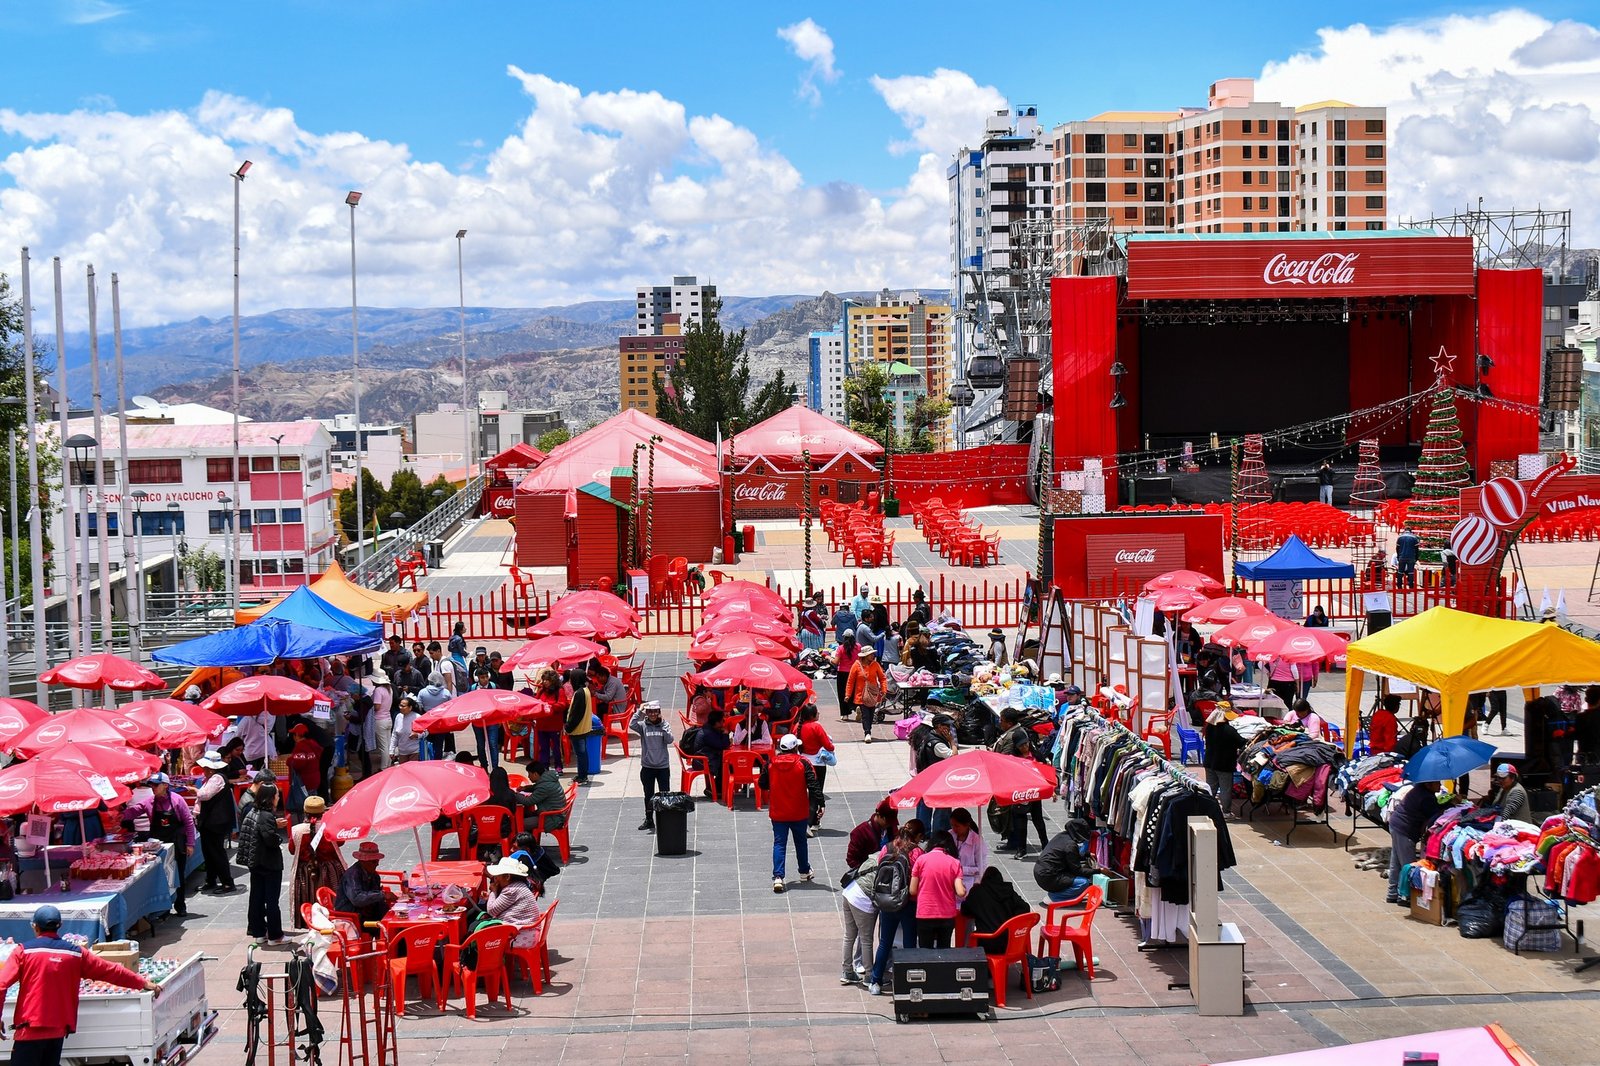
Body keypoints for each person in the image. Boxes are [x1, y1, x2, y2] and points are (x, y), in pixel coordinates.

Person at [0, 904, 158, 1063]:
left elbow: (1, 985)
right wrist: (142, 982)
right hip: (58, 1031)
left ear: (35, 927)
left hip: (29, 1030)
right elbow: (110, 970)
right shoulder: (75, 953)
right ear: (59, 926)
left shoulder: (23, 952)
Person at [120, 773, 196, 917]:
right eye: (152, 785)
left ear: (165, 786)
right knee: (161, 876)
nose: (153, 788)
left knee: (178, 874)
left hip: (177, 842)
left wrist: (190, 843)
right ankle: (163, 908)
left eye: (156, 785)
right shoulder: (150, 801)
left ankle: (181, 905)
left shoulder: (177, 800)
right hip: (158, 845)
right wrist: (120, 815)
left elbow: (188, 822)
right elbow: (135, 811)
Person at [759, 733, 822, 893]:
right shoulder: (803, 763)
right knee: (801, 842)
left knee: (779, 844)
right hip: (799, 811)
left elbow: (762, 783)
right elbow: (814, 785)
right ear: (795, 747)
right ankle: (804, 871)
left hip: (778, 811)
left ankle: (778, 877)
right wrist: (821, 803)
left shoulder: (771, 763)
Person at [867, 824, 925, 995]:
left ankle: (875, 982)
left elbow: (880, 869)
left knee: (885, 942)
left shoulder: (887, 847)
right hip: (908, 902)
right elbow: (918, 878)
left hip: (887, 902)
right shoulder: (917, 853)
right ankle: (907, 981)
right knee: (909, 943)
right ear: (917, 836)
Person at [237, 783, 286, 944]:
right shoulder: (266, 815)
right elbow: (270, 839)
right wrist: (278, 837)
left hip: (256, 862)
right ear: (271, 798)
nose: (278, 798)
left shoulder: (253, 811)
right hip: (268, 864)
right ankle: (275, 935)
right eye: (277, 796)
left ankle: (259, 932)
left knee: (257, 897)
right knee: (272, 900)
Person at [289, 796, 346, 928]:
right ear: (323, 812)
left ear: (305, 812)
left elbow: (292, 849)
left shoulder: (296, 830)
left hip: (305, 873)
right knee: (330, 901)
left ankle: (311, 926)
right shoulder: (331, 827)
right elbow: (341, 842)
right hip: (330, 871)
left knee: (309, 899)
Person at [1386, 780, 1444, 905]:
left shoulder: (1420, 790)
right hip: (1404, 829)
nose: (1440, 785)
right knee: (1409, 866)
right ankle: (1405, 897)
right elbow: (1435, 816)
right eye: (1437, 783)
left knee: (1396, 862)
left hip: (1396, 825)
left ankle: (1392, 893)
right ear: (1428, 785)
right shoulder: (1426, 797)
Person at [910, 829, 966, 948]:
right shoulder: (954, 863)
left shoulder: (921, 860)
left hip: (925, 913)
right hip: (946, 915)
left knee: (925, 951)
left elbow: (912, 890)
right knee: (944, 952)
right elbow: (960, 892)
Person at [194, 750, 239, 894]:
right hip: (209, 822)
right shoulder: (211, 779)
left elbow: (204, 795)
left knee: (216, 852)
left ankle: (227, 883)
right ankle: (211, 880)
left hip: (215, 822)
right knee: (209, 852)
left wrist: (193, 789)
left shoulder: (216, 779)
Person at [961, 866, 1031, 957]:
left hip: (986, 943)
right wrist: (1012, 919)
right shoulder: (1008, 891)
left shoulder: (977, 892)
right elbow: (1025, 908)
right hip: (1009, 942)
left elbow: (965, 911)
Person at [838, 842, 878, 985]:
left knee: (849, 936)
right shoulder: (891, 862)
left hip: (849, 892)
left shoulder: (875, 856)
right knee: (866, 939)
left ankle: (847, 971)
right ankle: (869, 976)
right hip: (862, 899)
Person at [631, 701, 674, 832]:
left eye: (655, 711)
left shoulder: (665, 724)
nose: (653, 714)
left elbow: (669, 740)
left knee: (664, 795)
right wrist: (639, 710)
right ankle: (649, 819)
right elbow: (632, 724)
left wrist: (663, 728)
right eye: (650, 712)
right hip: (647, 767)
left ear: (659, 712)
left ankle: (665, 820)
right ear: (647, 713)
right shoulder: (643, 725)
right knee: (648, 795)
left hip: (662, 767)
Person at [335, 841, 395, 924]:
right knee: (387, 924)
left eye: (377, 861)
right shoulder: (352, 875)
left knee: (392, 916)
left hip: (368, 913)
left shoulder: (374, 876)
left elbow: (375, 895)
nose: (377, 864)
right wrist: (382, 895)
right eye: (374, 862)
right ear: (364, 861)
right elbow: (357, 899)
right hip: (352, 917)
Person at [1034, 822, 1095, 903]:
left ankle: (1058, 894)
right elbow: (1078, 871)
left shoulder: (1061, 836)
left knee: (1072, 876)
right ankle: (1055, 898)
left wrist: (1086, 855)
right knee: (1083, 882)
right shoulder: (1070, 845)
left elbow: (1071, 855)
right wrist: (1098, 871)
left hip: (1040, 872)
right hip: (1048, 877)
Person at [480, 857, 542, 933]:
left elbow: (491, 911)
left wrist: (493, 892)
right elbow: (503, 903)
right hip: (527, 928)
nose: (495, 878)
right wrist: (490, 897)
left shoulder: (511, 890)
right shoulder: (518, 885)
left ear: (507, 877)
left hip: (521, 932)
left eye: (497, 875)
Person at [1202, 709, 1244, 811]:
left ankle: (1207, 809)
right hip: (1224, 765)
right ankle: (1226, 812)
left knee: (1211, 788)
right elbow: (1241, 743)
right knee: (1225, 789)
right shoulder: (1230, 730)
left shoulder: (1209, 728)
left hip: (1209, 763)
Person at [845, 646, 887, 743]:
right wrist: (848, 694)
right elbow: (850, 681)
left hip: (873, 695)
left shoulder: (876, 664)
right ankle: (867, 733)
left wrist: (884, 690)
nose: (873, 656)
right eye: (871, 654)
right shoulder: (856, 665)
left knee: (871, 714)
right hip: (861, 696)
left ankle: (868, 729)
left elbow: (882, 678)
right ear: (865, 656)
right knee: (866, 715)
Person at [795, 703, 835, 802]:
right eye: (817, 712)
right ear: (812, 715)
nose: (819, 713)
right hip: (818, 763)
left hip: (804, 762)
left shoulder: (797, 727)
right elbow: (829, 746)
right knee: (817, 792)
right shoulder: (816, 727)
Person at [564, 665, 596, 785]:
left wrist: (568, 727)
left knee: (581, 754)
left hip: (578, 729)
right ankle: (582, 774)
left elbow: (576, 714)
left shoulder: (579, 693)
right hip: (584, 727)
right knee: (582, 753)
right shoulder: (585, 690)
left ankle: (582, 777)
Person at [468, 667, 505, 771]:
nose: (484, 679)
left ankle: (495, 768)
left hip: (492, 721)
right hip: (478, 722)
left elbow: (499, 703)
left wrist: (500, 719)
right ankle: (484, 766)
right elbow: (468, 703)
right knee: (480, 745)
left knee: (493, 744)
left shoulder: (494, 687)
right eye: (482, 677)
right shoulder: (472, 688)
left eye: (486, 677)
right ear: (477, 678)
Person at [691, 711, 733, 801]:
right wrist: (725, 734)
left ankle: (716, 788)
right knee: (725, 764)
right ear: (717, 723)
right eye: (722, 721)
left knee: (725, 762)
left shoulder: (711, 729)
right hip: (702, 761)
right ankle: (716, 789)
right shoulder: (708, 733)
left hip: (708, 757)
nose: (723, 723)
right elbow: (723, 746)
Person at [846, 801, 898, 870]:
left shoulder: (892, 828)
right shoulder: (860, 832)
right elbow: (851, 859)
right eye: (887, 821)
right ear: (878, 815)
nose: (889, 824)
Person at [524, 760, 567, 834]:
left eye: (529, 774)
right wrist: (525, 788)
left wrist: (514, 795)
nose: (528, 777)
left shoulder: (544, 786)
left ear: (535, 774)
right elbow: (538, 787)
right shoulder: (549, 779)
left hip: (551, 819)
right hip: (555, 814)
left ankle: (525, 843)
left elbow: (528, 802)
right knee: (526, 814)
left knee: (518, 823)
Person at [365, 668, 394, 772]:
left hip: (380, 720)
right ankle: (388, 765)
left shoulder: (378, 690)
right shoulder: (389, 689)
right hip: (388, 718)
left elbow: (377, 707)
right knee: (388, 744)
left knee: (383, 747)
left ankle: (383, 768)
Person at [949, 808, 988, 884]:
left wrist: (962, 869)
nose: (954, 829)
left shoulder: (978, 841)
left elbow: (981, 868)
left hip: (970, 881)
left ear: (967, 825)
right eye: (952, 825)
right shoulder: (949, 835)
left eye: (957, 826)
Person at [833, 631, 859, 723]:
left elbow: (835, 662)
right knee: (855, 692)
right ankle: (856, 708)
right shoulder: (858, 647)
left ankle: (844, 714)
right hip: (855, 672)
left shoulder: (841, 648)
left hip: (843, 673)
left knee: (842, 694)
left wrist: (828, 658)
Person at [389, 695, 424, 763]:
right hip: (402, 752)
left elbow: (425, 732)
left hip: (415, 752)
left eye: (403, 706)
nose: (400, 707)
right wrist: (391, 750)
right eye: (400, 705)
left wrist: (417, 735)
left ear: (410, 707)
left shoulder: (417, 717)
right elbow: (394, 734)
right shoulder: (398, 717)